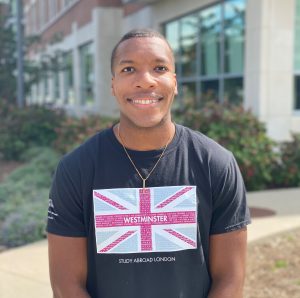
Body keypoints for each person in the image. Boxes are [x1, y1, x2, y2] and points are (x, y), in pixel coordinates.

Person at [47, 28, 251, 298]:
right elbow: (67, 286)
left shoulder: (216, 164)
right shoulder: (76, 169)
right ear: (113, 85)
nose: (145, 81)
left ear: (175, 82)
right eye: (129, 69)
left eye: (159, 68)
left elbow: (230, 281)